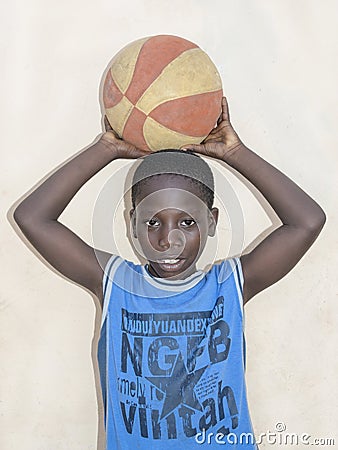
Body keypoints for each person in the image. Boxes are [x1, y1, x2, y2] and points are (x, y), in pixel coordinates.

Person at [13, 97, 326, 449]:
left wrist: (236, 153)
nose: (168, 240)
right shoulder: (116, 283)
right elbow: (32, 217)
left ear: (212, 222)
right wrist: (105, 148)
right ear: (132, 225)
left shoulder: (229, 285)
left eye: (187, 222)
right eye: (152, 222)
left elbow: (308, 221)